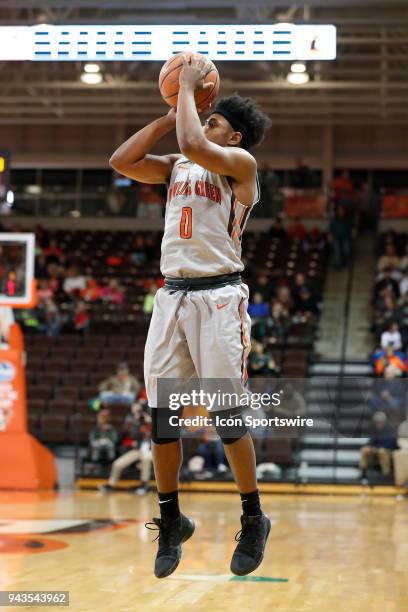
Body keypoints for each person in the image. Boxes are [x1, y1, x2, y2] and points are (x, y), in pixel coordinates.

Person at [110, 55, 271, 579]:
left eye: (216, 120)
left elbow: (195, 144)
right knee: (162, 421)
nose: (206, 123)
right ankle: (171, 518)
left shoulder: (240, 168)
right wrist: (168, 108)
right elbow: (122, 161)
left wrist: (185, 90)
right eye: (205, 116)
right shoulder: (179, 165)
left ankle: (253, 517)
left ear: (237, 136)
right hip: (172, 298)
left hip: (219, 299)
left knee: (226, 418)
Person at [99, 402, 152, 494]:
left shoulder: (157, 420)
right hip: (138, 450)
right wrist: (137, 422)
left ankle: (144, 485)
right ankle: (111, 485)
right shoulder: (137, 423)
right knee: (117, 464)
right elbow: (132, 435)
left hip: (153, 451)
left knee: (146, 459)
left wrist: (151, 421)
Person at [359, 411, 397, 479]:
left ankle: (386, 474)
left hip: (387, 449)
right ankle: (363, 472)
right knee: (364, 449)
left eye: (380, 422)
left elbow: (391, 443)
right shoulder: (374, 429)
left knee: (382, 452)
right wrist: (370, 447)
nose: (378, 423)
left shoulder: (389, 429)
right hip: (376, 449)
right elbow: (371, 440)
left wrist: (377, 448)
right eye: (377, 422)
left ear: (384, 422)